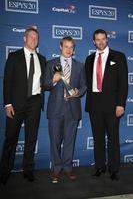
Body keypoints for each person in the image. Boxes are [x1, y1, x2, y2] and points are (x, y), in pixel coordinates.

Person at [0, 27, 46, 185]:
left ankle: (28, 170)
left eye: (36, 38)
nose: (34, 40)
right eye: (31, 37)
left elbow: (45, 83)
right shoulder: (14, 57)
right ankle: (5, 171)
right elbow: (7, 82)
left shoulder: (42, 59)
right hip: (16, 103)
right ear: (24, 38)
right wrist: (7, 104)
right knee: (10, 138)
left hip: (34, 103)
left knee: (31, 138)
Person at [85, 29, 128, 180]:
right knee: (98, 138)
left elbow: (123, 83)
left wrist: (121, 104)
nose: (101, 42)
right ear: (93, 41)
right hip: (95, 103)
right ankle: (99, 167)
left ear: (107, 39)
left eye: (103, 39)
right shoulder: (89, 59)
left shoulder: (119, 56)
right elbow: (87, 83)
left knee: (113, 138)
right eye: (97, 39)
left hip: (112, 104)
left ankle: (114, 169)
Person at [45, 36, 86, 183]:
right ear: (60, 47)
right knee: (55, 141)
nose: (68, 50)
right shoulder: (51, 64)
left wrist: (78, 92)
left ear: (74, 49)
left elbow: (84, 86)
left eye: (71, 47)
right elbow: (44, 84)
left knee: (70, 140)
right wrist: (53, 80)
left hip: (72, 108)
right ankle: (56, 168)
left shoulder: (80, 66)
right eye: (66, 46)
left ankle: (68, 167)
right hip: (55, 108)